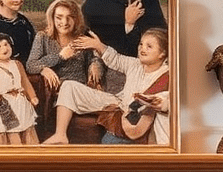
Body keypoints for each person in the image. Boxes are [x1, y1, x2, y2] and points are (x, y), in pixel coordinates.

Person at [42, 26, 170, 145]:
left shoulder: (168, 74)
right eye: (141, 44)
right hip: (120, 104)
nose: (142, 49)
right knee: (69, 86)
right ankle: (60, 134)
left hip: (141, 119)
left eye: (149, 46)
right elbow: (116, 59)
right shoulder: (134, 64)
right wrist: (98, 45)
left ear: (162, 53)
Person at [26, 0, 105, 91]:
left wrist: (95, 65)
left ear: (76, 19)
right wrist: (57, 59)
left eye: (70, 17)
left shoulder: (81, 37)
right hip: (57, 92)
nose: (65, 22)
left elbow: (93, 58)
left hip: (82, 89)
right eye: (59, 17)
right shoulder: (43, 37)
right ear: (52, 18)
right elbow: (30, 65)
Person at [0, 31, 39, 146]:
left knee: (24, 126)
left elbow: (25, 82)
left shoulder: (17, 64)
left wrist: (32, 96)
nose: (4, 48)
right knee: (11, 130)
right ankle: (17, 152)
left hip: (20, 102)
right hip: (5, 104)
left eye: (6, 44)